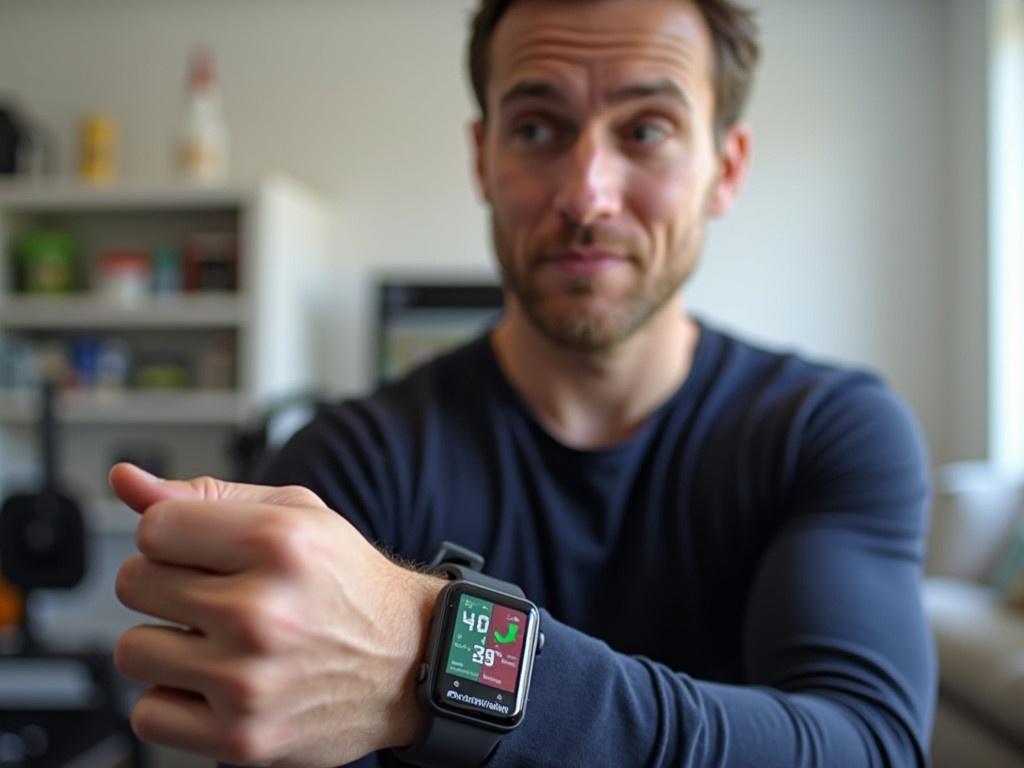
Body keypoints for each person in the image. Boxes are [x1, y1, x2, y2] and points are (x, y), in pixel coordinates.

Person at [109, 0, 937, 765]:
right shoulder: (353, 460)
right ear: (482, 157)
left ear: (727, 165)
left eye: (646, 130)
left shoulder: (829, 430)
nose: (586, 195)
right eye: (539, 128)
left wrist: (433, 652)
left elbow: (869, 744)